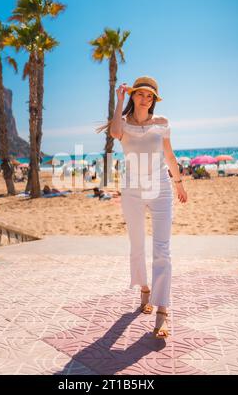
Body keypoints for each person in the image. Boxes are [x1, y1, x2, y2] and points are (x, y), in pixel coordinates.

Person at [97, 76, 188, 339]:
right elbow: (114, 133)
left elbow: (169, 155)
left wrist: (179, 183)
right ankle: (144, 288)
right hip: (132, 191)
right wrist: (119, 99)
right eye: (141, 94)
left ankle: (162, 312)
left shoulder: (162, 123)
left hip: (160, 188)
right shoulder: (123, 125)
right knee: (137, 246)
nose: (145, 99)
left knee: (162, 250)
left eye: (150, 96)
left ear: (154, 101)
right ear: (134, 96)